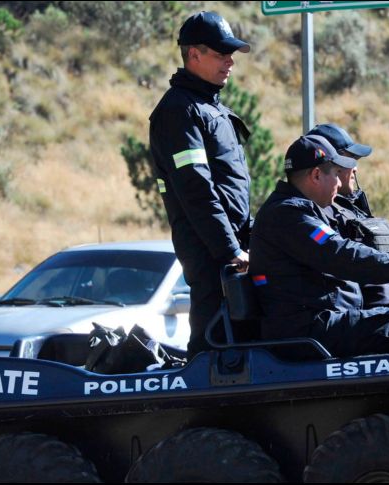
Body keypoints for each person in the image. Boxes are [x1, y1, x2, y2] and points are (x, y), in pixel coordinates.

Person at [249, 134, 389, 357]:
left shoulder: (304, 210)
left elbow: (350, 251)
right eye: (336, 174)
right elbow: (342, 255)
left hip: (324, 323)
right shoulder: (288, 215)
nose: (339, 182)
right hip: (310, 330)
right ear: (316, 175)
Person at [149, 11, 252, 359]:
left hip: (232, 247)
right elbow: (196, 190)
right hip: (211, 252)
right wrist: (229, 249)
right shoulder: (179, 111)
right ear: (194, 54)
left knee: (240, 340)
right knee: (214, 344)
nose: (230, 62)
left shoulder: (210, 107)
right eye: (221, 54)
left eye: (231, 54)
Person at [307, 123, 389, 312]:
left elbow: (386, 259)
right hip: (371, 314)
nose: (355, 169)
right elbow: (350, 258)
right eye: (350, 161)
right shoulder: (319, 215)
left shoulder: (352, 208)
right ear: (331, 164)